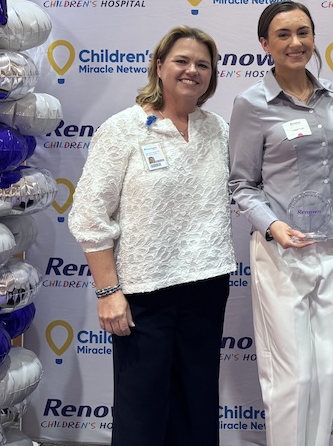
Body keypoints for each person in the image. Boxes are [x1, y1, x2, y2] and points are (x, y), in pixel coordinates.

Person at [67, 25, 236, 446]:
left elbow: (252, 185)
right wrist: (109, 293)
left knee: (197, 409)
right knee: (141, 413)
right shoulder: (123, 129)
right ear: (159, 67)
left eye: (202, 64)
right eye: (181, 61)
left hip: (207, 286)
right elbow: (89, 215)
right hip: (143, 293)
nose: (192, 70)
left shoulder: (218, 130)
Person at [229, 1, 333, 446]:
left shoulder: (330, 95)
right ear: (265, 44)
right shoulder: (252, 103)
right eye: (283, 35)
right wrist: (272, 226)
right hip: (282, 249)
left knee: (326, 369)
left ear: (314, 37)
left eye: (303, 32)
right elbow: (241, 184)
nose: (295, 42)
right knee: (291, 376)